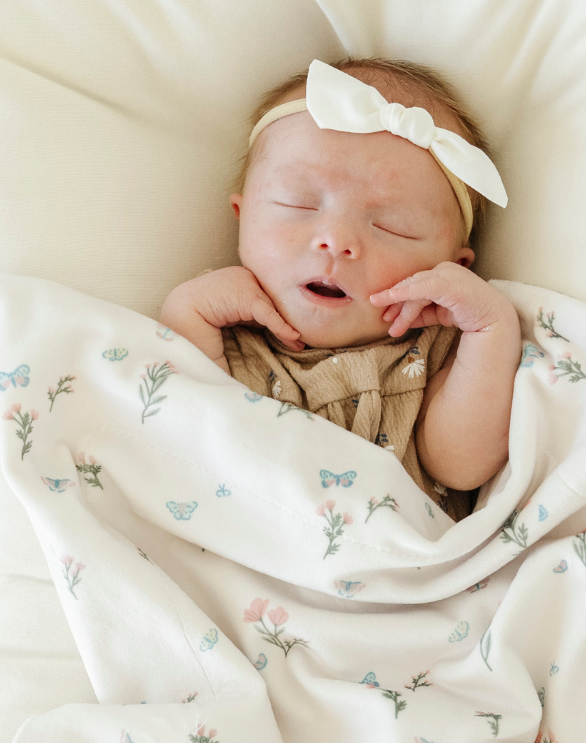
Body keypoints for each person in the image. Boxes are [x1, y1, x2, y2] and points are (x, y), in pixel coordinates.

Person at [158, 58, 516, 520]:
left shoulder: (435, 358)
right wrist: (186, 314)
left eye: (393, 226)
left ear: (453, 271)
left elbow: (460, 467)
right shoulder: (227, 341)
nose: (337, 241)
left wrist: (490, 331)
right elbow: (177, 432)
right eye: (298, 203)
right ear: (242, 216)